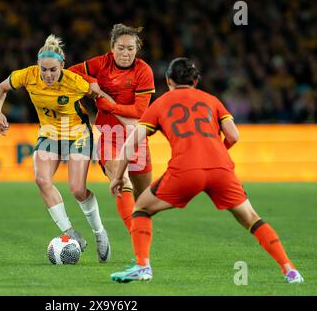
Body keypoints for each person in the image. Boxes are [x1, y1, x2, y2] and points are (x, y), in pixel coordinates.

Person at [109, 57, 304, 283]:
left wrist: (116, 177)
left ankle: (142, 267)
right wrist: (216, 154)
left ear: (168, 80)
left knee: (141, 208)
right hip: (221, 168)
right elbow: (234, 135)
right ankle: (289, 270)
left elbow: (131, 143)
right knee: (251, 218)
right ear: (195, 80)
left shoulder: (161, 103)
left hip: (185, 170)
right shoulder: (211, 100)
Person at [0, 34, 111, 263]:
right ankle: (71, 233)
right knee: (42, 180)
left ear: (62, 67)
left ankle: (99, 233)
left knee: (77, 189)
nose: (47, 75)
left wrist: (120, 120)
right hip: (49, 133)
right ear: (37, 66)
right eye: (44, 70)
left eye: (53, 70)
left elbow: (102, 97)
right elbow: (1, 88)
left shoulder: (75, 82)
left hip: (76, 133)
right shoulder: (27, 76)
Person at [69, 23, 155, 236]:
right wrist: (91, 83)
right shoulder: (101, 64)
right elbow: (70, 74)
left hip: (136, 136)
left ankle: (139, 234)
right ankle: (137, 240)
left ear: (137, 49)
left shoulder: (144, 71)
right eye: (121, 48)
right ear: (112, 47)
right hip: (110, 136)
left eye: (131, 49)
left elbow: (138, 111)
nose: (126, 54)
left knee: (143, 199)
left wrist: (107, 103)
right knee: (121, 180)